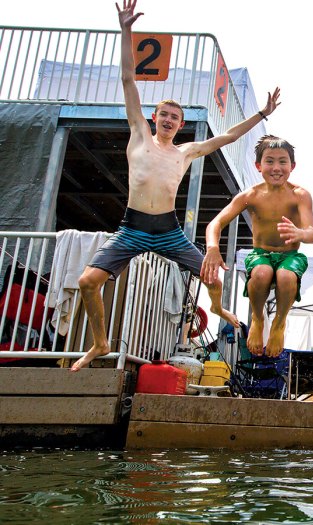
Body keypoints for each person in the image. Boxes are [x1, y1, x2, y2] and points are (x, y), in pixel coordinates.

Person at [71, 0, 280, 371]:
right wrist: (126, 31)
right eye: (164, 115)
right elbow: (127, 79)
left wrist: (262, 114)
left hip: (167, 230)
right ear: (153, 118)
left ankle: (216, 307)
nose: (168, 120)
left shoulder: (185, 151)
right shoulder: (139, 136)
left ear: (180, 125)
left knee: (212, 275)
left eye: (175, 117)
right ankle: (101, 342)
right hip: (133, 227)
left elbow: (228, 137)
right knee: (89, 281)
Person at [201, 135, 313, 358]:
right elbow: (216, 222)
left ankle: (279, 324)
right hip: (260, 254)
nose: (276, 167)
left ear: (292, 166)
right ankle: (257, 318)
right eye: (270, 161)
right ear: (258, 166)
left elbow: (312, 233)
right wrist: (213, 248)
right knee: (262, 272)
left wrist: (300, 232)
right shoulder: (250, 196)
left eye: (283, 161)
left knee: (285, 276)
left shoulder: (300, 195)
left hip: (290, 255)